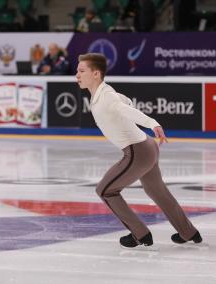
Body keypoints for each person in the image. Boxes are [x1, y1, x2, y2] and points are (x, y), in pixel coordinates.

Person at [76, 53, 202, 248]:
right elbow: (126, 102)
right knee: (156, 191)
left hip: (138, 151)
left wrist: (152, 123)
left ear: (96, 74)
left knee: (105, 190)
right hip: (147, 146)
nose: (77, 75)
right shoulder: (103, 92)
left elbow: (127, 110)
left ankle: (140, 234)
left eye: (81, 71)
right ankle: (188, 232)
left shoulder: (106, 96)